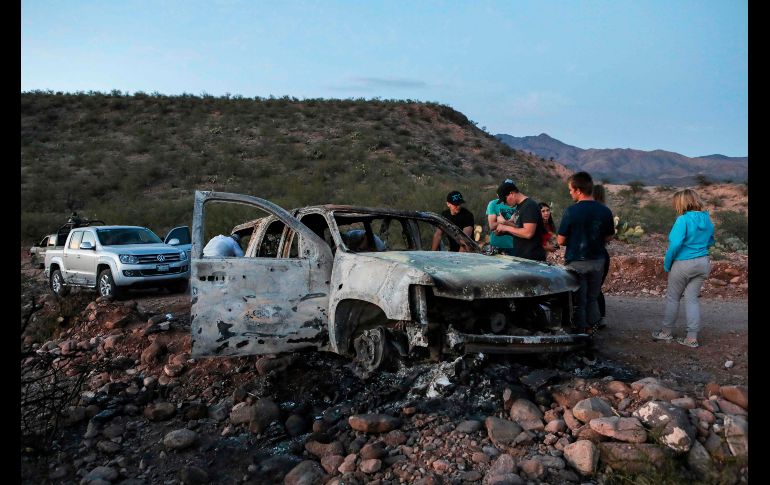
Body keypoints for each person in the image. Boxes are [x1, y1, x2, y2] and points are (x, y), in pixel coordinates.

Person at [652, 189, 714, 348]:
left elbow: (675, 244)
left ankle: (666, 332)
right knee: (692, 299)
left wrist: (667, 264)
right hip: (703, 262)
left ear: (681, 203)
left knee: (673, 298)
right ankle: (692, 338)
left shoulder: (682, 220)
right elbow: (710, 241)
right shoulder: (707, 218)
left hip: (683, 263)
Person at [556, 172, 615, 334]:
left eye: (570, 190)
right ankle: (591, 330)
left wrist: (574, 239)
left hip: (576, 262)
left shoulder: (571, 211)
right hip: (597, 261)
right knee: (592, 297)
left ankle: (580, 333)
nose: (570, 193)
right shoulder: (605, 211)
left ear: (578, 190)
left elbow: (560, 241)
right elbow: (609, 236)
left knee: (578, 300)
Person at [495, 181, 547, 261]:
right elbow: (519, 228)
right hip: (521, 256)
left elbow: (528, 233)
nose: (505, 203)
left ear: (512, 193)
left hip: (531, 258)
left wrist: (506, 228)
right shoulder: (519, 207)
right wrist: (503, 231)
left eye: (504, 200)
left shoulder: (529, 206)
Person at [592, 184, 611, 328]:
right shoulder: (606, 211)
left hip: (589, 254)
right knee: (597, 287)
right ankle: (601, 317)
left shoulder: (585, 211)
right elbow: (609, 236)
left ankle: (589, 319)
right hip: (602, 254)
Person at [486, 179, 516, 255]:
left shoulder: (518, 205)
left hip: (514, 246)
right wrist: (511, 222)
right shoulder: (493, 204)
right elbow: (492, 226)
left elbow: (520, 227)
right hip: (496, 245)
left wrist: (503, 222)